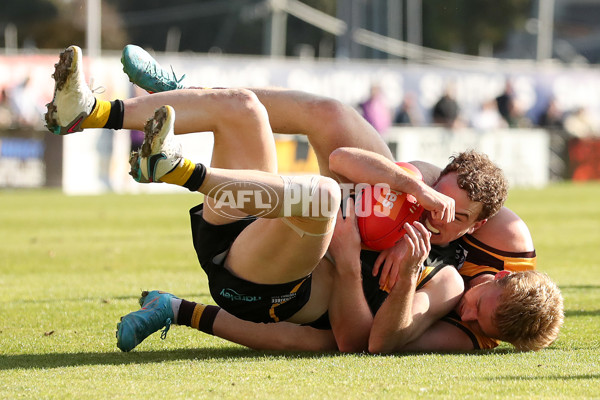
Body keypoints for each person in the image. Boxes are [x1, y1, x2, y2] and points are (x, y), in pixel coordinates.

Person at [45, 45, 563, 353]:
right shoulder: (462, 217)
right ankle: (96, 110)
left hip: (272, 280)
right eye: (480, 308)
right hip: (252, 228)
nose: (470, 315)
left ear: (476, 229)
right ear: (502, 276)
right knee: (256, 109)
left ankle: (178, 169)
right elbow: (343, 159)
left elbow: (363, 345)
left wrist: (366, 268)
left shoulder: (446, 288)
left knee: (320, 207)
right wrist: (415, 187)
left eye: (454, 216)